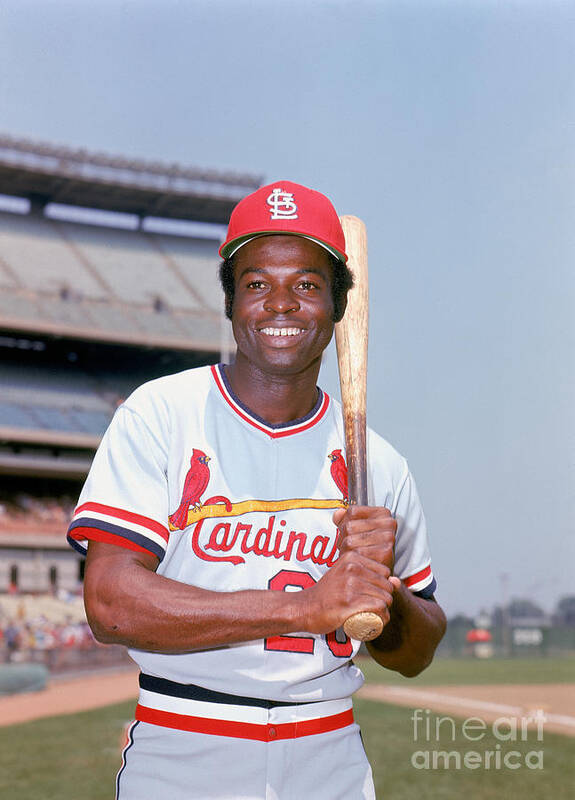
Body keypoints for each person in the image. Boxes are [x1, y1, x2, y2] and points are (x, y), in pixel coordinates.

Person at [68, 180, 446, 799]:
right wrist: (306, 608)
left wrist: (389, 594)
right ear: (231, 303)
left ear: (338, 306)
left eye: (305, 284)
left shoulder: (380, 463)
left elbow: (416, 651)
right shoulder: (162, 414)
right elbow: (110, 604)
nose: (280, 304)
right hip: (186, 745)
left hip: (329, 754)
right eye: (256, 284)